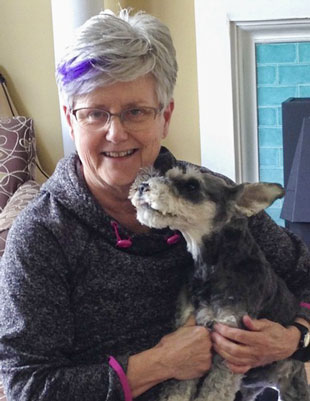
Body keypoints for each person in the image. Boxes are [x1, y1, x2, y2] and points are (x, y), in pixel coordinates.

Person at [0, 9, 310, 401]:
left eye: (136, 111)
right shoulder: (41, 236)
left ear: (165, 117)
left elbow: (305, 273)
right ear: (70, 120)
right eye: (95, 113)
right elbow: (26, 386)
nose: (116, 133)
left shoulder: (214, 198)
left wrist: (293, 337)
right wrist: (156, 364)